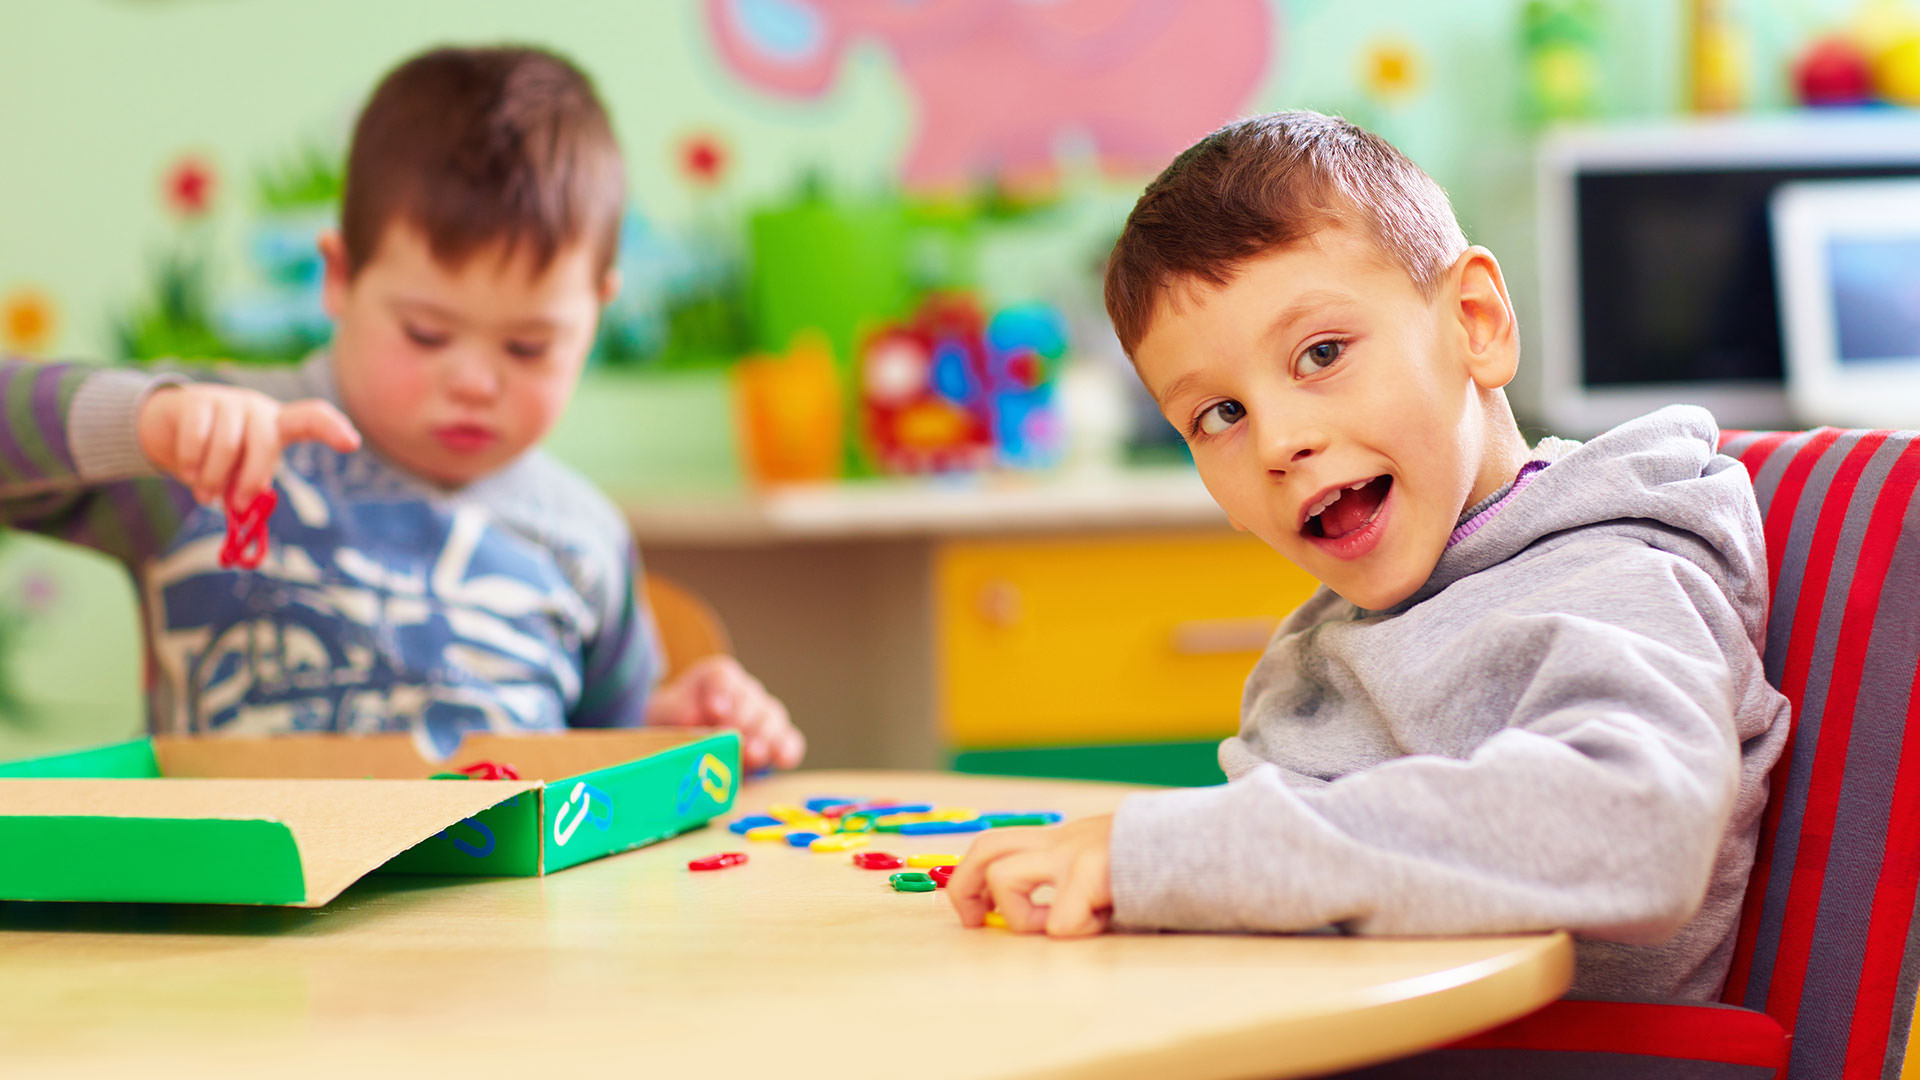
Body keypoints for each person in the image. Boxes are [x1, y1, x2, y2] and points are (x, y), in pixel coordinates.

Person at [947, 110, 1790, 1001]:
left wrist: (1167, 852)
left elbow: (1636, 828)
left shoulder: (1610, 574)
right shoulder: (1321, 648)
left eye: (1320, 353)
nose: (1277, 441)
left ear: (1474, 322)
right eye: (1219, 415)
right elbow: (1276, 885)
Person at [0, 45, 804, 770]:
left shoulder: (584, 538)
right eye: (426, 334)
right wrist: (146, 424)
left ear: (597, 309)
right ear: (340, 277)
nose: (475, 382)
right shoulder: (197, 452)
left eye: (528, 347)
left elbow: (606, 762)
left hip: (500, 931)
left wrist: (675, 731)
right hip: (232, 929)